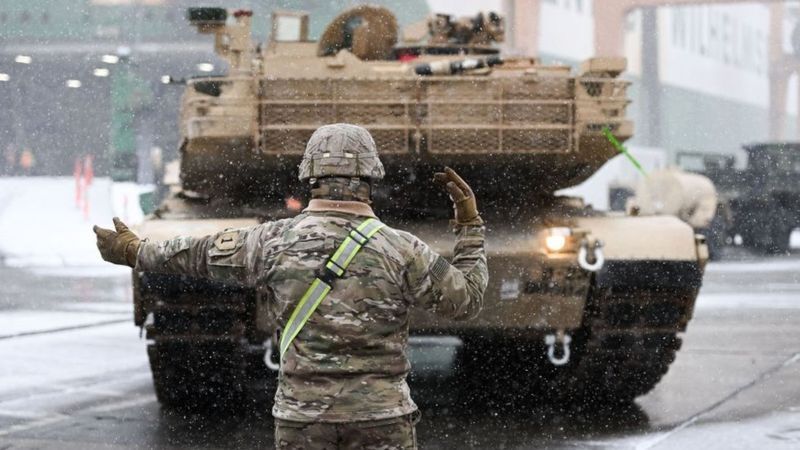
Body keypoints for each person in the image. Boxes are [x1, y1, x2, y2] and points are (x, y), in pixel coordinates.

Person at [93, 123, 487, 449]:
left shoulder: (270, 241)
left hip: (303, 419)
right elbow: (466, 300)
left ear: (310, 177)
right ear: (371, 177)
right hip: (380, 419)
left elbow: (197, 254)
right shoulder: (403, 249)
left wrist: (135, 250)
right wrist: (470, 227)